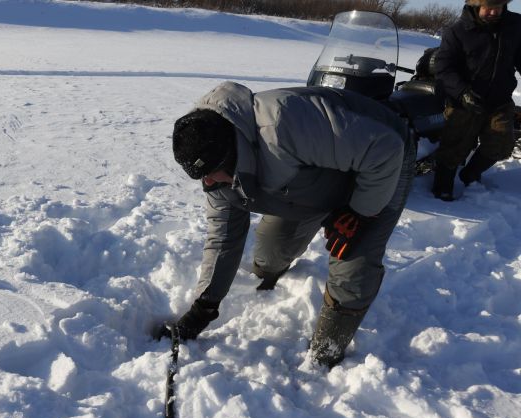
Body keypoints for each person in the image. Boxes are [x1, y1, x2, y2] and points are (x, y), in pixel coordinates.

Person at [165, 81, 416, 369]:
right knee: (271, 250)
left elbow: (385, 149)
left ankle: (325, 355)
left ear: (231, 154)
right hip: (310, 181)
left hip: (381, 162)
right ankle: (267, 276)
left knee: (352, 266)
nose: (206, 183)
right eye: (200, 177)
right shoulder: (215, 172)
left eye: (211, 174)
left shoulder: (283, 124)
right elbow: (222, 238)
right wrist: (203, 307)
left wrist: (360, 213)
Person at [431, 0, 521, 201]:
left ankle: (471, 174)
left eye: (498, 7)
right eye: (488, 7)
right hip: (464, 99)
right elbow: (443, 68)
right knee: (454, 147)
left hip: (500, 99)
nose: (493, 12)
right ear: (475, 6)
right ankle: (442, 186)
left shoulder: (514, 26)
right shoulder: (457, 31)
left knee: (502, 145)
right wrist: (463, 92)